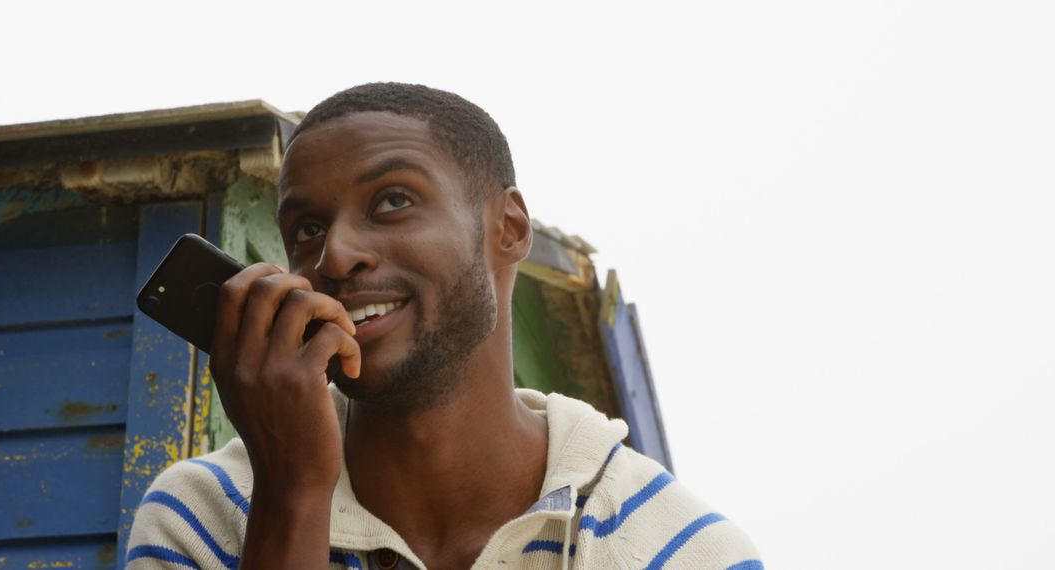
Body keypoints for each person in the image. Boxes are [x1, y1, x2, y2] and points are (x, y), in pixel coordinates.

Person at [125, 82, 761, 570]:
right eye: (307, 229)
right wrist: (291, 495)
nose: (336, 256)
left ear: (507, 228)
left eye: (393, 201)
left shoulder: (680, 550)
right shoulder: (204, 513)